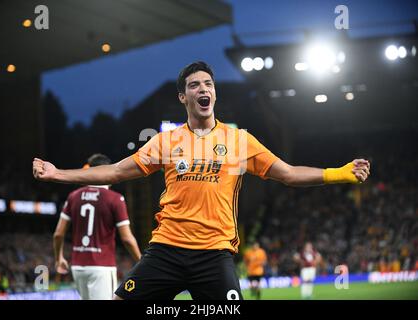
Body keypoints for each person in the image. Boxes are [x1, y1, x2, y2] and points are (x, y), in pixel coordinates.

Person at [34, 61, 371, 300]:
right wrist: (58, 173)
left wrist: (338, 172)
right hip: (166, 250)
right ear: (184, 97)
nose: (203, 88)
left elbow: (288, 173)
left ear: (214, 94)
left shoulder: (240, 141)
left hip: (214, 255)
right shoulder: (165, 142)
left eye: (208, 83)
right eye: (195, 85)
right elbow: (118, 171)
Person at [52, 153, 141, 300]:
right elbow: (126, 238)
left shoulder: (73, 196)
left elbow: (58, 234)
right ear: (107, 170)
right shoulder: (115, 199)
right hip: (102, 266)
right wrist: (140, 261)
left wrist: (59, 258)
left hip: (78, 266)